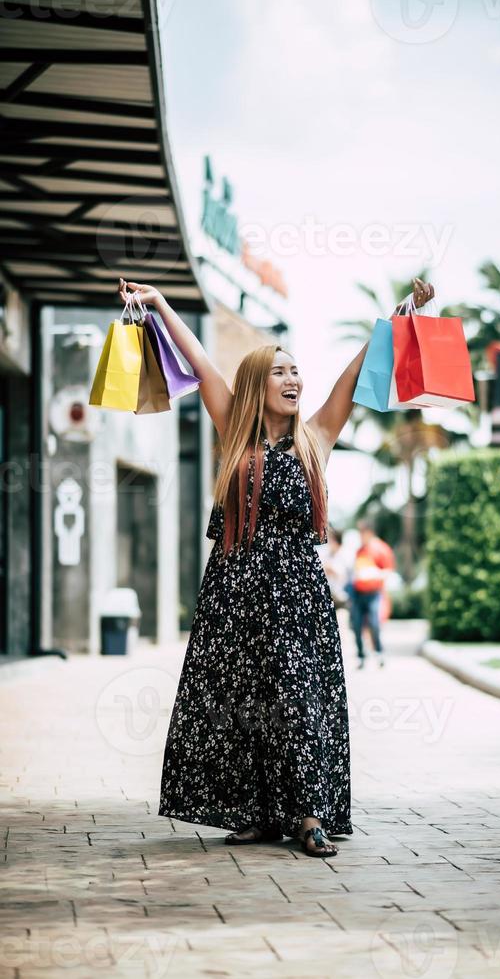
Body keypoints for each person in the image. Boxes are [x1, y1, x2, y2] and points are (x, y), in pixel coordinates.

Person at [118, 275, 434, 859]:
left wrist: (399, 317)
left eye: (296, 372)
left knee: (296, 697)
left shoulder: (316, 437)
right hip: (233, 591)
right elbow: (200, 358)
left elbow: (353, 377)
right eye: (281, 372)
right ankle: (261, 814)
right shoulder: (233, 435)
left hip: (294, 592)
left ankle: (308, 814)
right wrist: (158, 304)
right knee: (242, 700)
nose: (294, 380)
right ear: (256, 386)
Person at [350, 520, 396, 669]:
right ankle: (361, 656)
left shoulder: (381, 549)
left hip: (374, 593)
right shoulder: (359, 550)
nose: (360, 537)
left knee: (374, 623)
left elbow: (389, 571)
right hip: (358, 592)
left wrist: (374, 574)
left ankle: (379, 652)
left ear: (369, 532)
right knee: (356, 624)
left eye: (362, 533)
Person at [319, 526, 351, 610]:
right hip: (328, 596)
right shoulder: (325, 553)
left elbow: (345, 576)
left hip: (341, 598)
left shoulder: (346, 554)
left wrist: (332, 570)